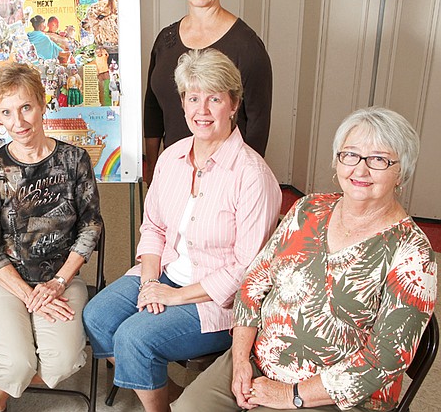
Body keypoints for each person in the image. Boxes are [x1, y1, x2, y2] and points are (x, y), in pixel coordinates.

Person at [172, 107, 437, 412]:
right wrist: (241, 360)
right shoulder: (309, 209)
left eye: (378, 160)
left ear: (401, 171)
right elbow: (252, 285)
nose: (360, 170)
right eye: (349, 155)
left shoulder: (413, 253)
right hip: (258, 362)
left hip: (335, 397)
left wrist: (291, 395)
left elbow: (386, 359)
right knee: (187, 408)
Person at [84, 49, 281, 412]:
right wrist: (149, 285)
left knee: (134, 336)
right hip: (164, 273)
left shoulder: (252, 176)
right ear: (183, 101)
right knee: (98, 316)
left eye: (215, 98)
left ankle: (154, 402)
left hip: (217, 300)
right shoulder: (172, 157)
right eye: (193, 97)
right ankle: (167, 392)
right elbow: (154, 227)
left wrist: (174, 297)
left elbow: (246, 269)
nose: (202, 110)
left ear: (234, 103)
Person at [0, 63, 104, 412]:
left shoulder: (75, 159)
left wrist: (57, 283)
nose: (18, 121)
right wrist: (27, 294)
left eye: (25, 107)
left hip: (59, 279)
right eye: (6, 112)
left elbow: (90, 227)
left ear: (42, 104)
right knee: (16, 363)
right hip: (1, 281)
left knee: (62, 365)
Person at [144, 0, 272, 182]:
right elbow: (153, 108)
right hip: (173, 168)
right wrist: (153, 167)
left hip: (223, 176)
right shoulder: (165, 40)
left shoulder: (247, 46)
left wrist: (244, 181)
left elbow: (258, 123)